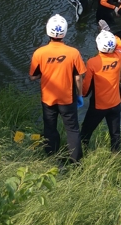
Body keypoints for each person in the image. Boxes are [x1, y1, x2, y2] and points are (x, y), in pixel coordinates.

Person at [30, 14, 86, 163]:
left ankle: (51, 158)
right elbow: (78, 76)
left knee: (50, 128)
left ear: (48, 31)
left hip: (48, 98)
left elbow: (33, 76)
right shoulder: (73, 53)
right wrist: (80, 94)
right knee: (72, 129)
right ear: (65, 32)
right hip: (68, 98)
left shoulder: (39, 53)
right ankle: (75, 162)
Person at [79, 27, 121, 152]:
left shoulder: (93, 62)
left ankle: (81, 151)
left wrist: (82, 95)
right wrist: (110, 32)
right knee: (115, 134)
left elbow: (87, 85)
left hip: (98, 105)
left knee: (86, 131)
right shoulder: (118, 57)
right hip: (115, 103)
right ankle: (116, 156)